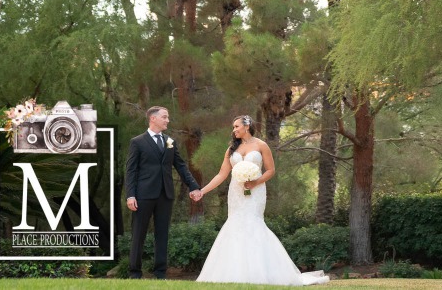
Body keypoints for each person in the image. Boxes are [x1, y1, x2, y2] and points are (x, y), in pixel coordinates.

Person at [196, 115, 329, 286]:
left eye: (237, 126)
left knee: (253, 223)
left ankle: (261, 272)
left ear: (247, 126)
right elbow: (222, 174)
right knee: (234, 224)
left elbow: (270, 170)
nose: (234, 130)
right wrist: (202, 191)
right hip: (236, 192)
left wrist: (255, 182)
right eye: (233, 127)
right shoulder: (231, 149)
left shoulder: (261, 145)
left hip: (256, 191)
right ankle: (233, 272)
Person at [125, 106, 203, 279]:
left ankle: (160, 273)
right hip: (142, 196)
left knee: (162, 235)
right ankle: (134, 273)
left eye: (167, 117)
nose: (168, 120)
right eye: (164, 117)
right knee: (138, 234)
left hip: (165, 195)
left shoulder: (170, 142)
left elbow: (181, 166)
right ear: (153, 118)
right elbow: (131, 171)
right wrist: (130, 195)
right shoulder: (137, 142)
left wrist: (194, 186)